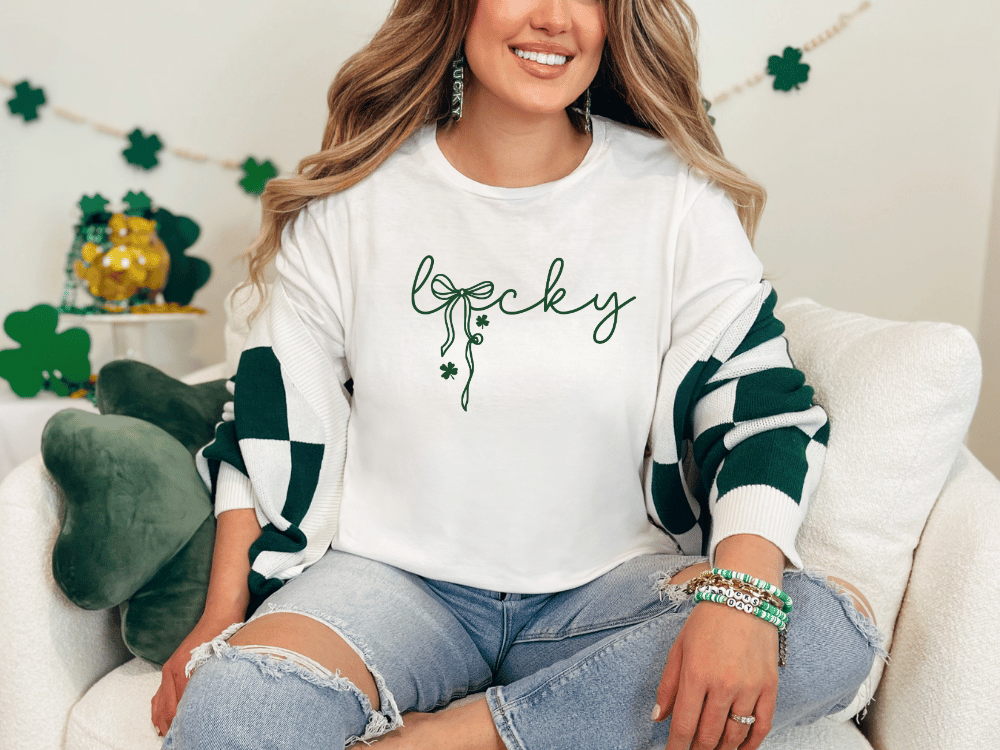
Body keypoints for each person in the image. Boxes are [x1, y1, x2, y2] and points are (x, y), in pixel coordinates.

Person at [152, 1, 881, 748]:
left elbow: (759, 407)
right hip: (389, 587)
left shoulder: (675, 196)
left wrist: (745, 594)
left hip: (605, 591)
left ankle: (468, 738)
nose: (555, 18)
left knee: (828, 630)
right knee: (234, 713)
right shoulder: (355, 200)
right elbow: (269, 422)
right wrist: (220, 622)